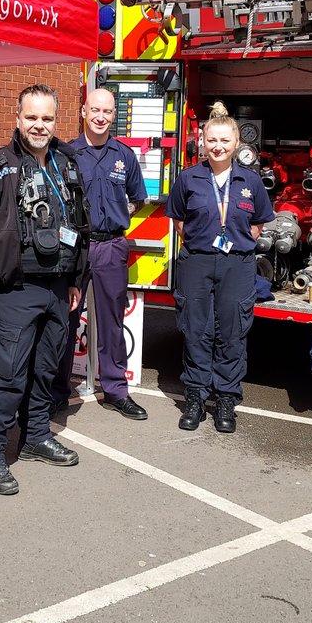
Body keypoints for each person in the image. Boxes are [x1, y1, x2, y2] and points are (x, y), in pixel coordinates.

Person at [0, 84, 90, 495]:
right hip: (15, 290)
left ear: (57, 121)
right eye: (32, 117)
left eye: (47, 118)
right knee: (6, 375)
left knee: (45, 370)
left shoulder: (67, 163)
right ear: (17, 118)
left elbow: (82, 225)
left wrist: (75, 280)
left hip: (58, 287)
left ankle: (36, 436)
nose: (39, 125)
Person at [166, 102, 274, 434]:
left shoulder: (250, 181)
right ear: (203, 141)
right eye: (212, 140)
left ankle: (226, 398)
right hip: (197, 261)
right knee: (196, 331)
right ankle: (195, 398)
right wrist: (205, 241)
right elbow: (180, 221)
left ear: (237, 144)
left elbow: (258, 223)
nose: (218, 146)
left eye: (225, 141)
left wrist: (234, 240)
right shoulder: (188, 178)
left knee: (231, 332)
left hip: (237, 264)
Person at [52, 88, 148, 420]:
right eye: (95, 109)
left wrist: (120, 214)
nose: (100, 116)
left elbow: (138, 197)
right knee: (64, 320)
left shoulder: (124, 155)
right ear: (83, 111)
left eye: (107, 111)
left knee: (111, 323)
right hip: (73, 247)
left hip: (111, 247)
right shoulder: (64, 153)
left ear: (113, 115)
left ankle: (116, 391)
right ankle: (56, 390)